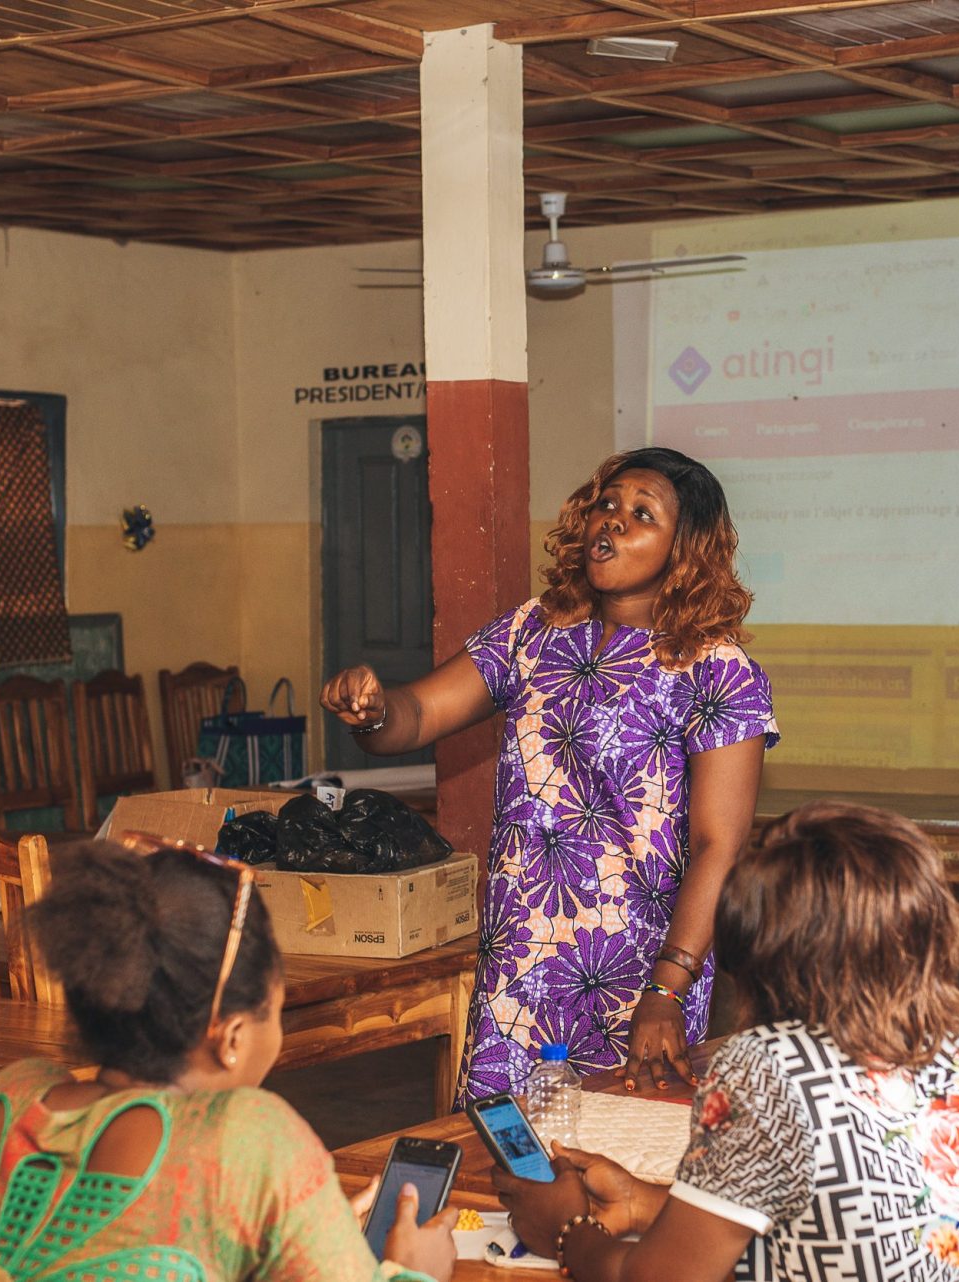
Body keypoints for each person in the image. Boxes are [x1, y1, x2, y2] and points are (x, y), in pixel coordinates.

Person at [321, 447, 777, 1100]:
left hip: (638, 975)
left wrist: (666, 991)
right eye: (607, 504)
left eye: (641, 513)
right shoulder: (533, 632)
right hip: (522, 964)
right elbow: (414, 716)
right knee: (506, 1158)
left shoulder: (715, 669)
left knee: (624, 1163)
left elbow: (720, 846)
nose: (613, 521)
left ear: (686, 550)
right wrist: (370, 709)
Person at [493, 801, 959, 1282]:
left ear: (756, 949)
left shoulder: (769, 1067)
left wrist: (568, 1229)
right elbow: (851, 1212)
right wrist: (644, 1201)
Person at [0, 844, 457, 1282]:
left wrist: (303, 1230)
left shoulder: (7, 1099)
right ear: (232, 1037)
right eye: (276, 1007)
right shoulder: (248, 1138)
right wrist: (412, 1270)